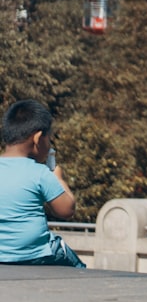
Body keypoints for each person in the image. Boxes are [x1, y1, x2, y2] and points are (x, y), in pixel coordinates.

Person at [0, 99, 85, 268]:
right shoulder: (40, 173)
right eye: (49, 139)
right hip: (35, 253)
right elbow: (66, 210)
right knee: (76, 265)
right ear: (38, 138)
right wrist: (58, 179)